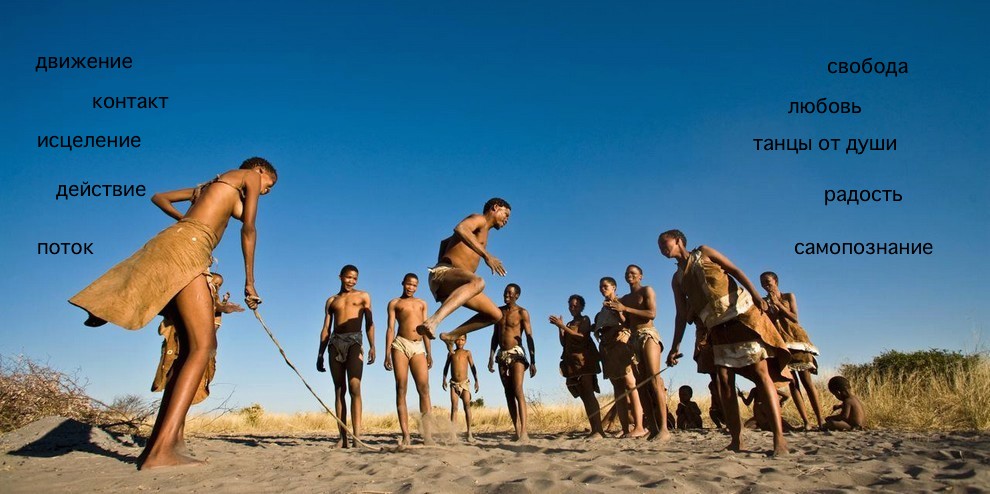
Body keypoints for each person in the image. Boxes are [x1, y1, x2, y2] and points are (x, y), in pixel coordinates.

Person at [69, 157, 277, 469]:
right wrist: (250, 282)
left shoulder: (213, 186)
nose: (265, 193)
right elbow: (248, 229)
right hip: (188, 250)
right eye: (268, 186)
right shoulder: (246, 175)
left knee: (192, 348)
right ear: (260, 171)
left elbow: (159, 197)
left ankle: (169, 440)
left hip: (176, 244)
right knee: (203, 346)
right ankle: (160, 452)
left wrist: (185, 220)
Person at [659, 229, 793, 456]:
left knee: (761, 373)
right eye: (659, 246)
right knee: (723, 379)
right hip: (716, 326)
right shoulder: (677, 278)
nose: (662, 248)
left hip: (741, 315)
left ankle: (779, 440)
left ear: (679, 240)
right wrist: (675, 346)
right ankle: (737, 439)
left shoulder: (704, 252)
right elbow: (681, 314)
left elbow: (735, 271)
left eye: (665, 243)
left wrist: (757, 296)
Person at [150, 272, 243, 453]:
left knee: (186, 384)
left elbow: (211, 323)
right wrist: (221, 308)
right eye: (214, 282)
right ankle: (166, 442)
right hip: (183, 344)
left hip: (198, 349)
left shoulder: (209, 298)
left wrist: (220, 307)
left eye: (218, 284)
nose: (216, 286)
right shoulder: (192, 290)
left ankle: (174, 437)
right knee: (176, 378)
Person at [416, 198, 512, 353]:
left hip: (457, 282)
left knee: (496, 314)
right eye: (506, 214)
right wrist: (487, 256)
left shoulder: (485, 233)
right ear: (495, 207)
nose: (507, 219)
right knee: (479, 282)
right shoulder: (479, 219)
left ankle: (452, 336)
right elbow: (460, 228)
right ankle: (433, 321)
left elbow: (444, 242)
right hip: (445, 272)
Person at [316, 265, 376, 448]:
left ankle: (357, 437)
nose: (351, 281)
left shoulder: (363, 296)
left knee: (354, 386)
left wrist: (373, 345)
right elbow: (326, 328)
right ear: (340, 277)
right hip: (335, 343)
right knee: (339, 389)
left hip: (354, 341)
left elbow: (369, 323)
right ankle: (343, 437)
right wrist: (320, 353)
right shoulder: (331, 301)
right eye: (348, 277)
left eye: (354, 278)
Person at [607, 264, 670, 441]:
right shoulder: (625, 298)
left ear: (640, 276)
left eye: (633, 273)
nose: (630, 276)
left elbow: (651, 313)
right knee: (641, 384)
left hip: (648, 334)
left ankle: (664, 428)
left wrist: (624, 309)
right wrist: (618, 312)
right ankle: (653, 428)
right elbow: (627, 323)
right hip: (633, 338)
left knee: (654, 379)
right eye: (627, 273)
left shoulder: (647, 290)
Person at [760, 271, 824, 430]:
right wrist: (771, 309)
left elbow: (794, 317)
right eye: (762, 283)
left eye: (768, 281)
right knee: (793, 384)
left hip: (796, 340)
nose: (766, 285)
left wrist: (779, 304)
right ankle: (806, 422)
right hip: (781, 343)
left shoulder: (788, 296)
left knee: (807, 382)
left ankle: (821, 420)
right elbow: (768, 323)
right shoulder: (763, 302)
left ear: (775, 281)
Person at [384, 273, 433, 446]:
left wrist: (429, 352)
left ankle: (427, 435)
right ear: (403, 283)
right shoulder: (395, 303)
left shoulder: (422, 303)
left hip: (418, 346)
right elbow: (390, 328)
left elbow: (426, 328)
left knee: (424, 389)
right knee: (401, 388)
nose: (411, 287)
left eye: (414, 285)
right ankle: (406, 435)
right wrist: (387, 353)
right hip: (400, 345)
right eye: (408, 284)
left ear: (417, 286)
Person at [594, 277, 647, 438]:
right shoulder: (602, 310)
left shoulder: (621, 302)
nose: (603, 289)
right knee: (618, 388)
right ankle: (625, 428)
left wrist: (618, 310)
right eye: (601, 287)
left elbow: (628, 323)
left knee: (631, 384)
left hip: (621, 345)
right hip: (607, 348)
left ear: (614, 287)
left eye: (606, 286)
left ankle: (639, 426)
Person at [549, 294, 605, 439]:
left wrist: (562, 326)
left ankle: (598, 430)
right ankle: (595, 430)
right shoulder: (568, 324)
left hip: (584, 361)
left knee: (589, 394)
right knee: (584, 397)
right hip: (572, 362)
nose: (572, 308)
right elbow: (564, 343)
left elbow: (581, 336)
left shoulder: (584, 319)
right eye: (570, 306)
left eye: (575, 306)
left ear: (581, 307)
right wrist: (560, 329)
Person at [487, 283, 536, 441]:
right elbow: (495, 335)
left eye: (510, 293)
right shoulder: (498, 312)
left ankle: (524, 431)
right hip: (502, 355)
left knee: (518, 389)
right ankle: (516, 431)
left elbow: (529, 337)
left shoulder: (522, 312)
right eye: (505, 292)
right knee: (508, 393)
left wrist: (533, 361)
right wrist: (491, 356)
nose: (506, 295)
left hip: (517, 353)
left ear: (517, 296)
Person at [442, 334, 480, 442]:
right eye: (458, 340)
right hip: (454, 384)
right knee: (454, 407)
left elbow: (473, 367)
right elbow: (446, 367)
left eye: (462, 340)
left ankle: (469, 433)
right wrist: (444, 379)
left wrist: (476, 380)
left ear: (465, 341)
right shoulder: (451, 353)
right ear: (454, 341)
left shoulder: (467, 353)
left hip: (464, 384)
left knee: (467, 406)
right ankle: (453, 435)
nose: (460, 342)